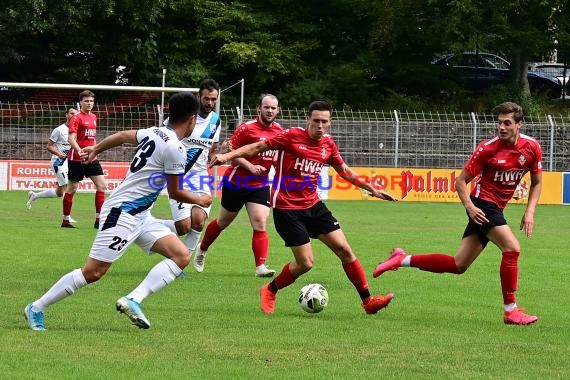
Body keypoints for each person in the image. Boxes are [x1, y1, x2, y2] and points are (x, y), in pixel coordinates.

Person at [23, 92, 212, 331]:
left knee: (181, 256)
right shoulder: (176, 148)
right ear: (193, 119)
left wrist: (97, 148)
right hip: (122, 213)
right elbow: (175, 193)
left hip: (141, 215)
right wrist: (201, 199)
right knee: (93, 272)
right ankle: (36, 307)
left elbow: (123, 135)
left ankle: (133, 299)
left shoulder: (155, 131)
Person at [209, 100, 397, 315]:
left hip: (313, 205)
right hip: (287, 209)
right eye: (316, 120)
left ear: (330, 122)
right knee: (306, 263)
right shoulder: (291, 136)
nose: (319, 125)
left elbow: (344, 170)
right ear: (308, 119)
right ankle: (270, 290)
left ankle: (368, 302)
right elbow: (257, 147)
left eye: (324, 121)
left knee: (345, 251)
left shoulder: (328, 144)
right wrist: (225, 156)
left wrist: (371, 189)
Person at [373, 101, 542, 326]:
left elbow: (537, 181)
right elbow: (461, 181)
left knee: (458, 264)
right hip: (482, 205)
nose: (501, 127)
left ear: (519, 124)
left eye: (507, 123)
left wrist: (529, 212)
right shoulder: (488, 148)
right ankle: (510, 310)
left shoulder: (531, 147)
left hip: (494, 208)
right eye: (499, 122)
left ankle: (401, 259)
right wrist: (470, 208)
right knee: (512, 249)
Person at [196, 94, 282, 277]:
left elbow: (277, 156)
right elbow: (230, 151)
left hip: (260, 184)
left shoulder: (279, 131)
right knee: (222, 222)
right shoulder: (246, 129)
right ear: (259, 108)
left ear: (278, 110)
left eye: (273, 108)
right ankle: (202, 249)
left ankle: (260, 267)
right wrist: (250, 166)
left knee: (260, 222)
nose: (270, 111)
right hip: (237, 181)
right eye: (266, 107)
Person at [160, 79, 221, 268]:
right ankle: (148, 225)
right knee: (183, 227)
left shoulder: (215, 121)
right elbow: (163, 140)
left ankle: (181, 264)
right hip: (178, 175)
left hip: (200, 176)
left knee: (199, 221)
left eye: (213, 99)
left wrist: (220, 153)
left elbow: (213, 150)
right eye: (206, 99)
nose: (210, 103)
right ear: (198, 97)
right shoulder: (183, 115)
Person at [62, 90, 107, 228]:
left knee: (102, 186)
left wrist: (95, 151)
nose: (89, 103)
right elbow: (71, 138)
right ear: (80, 102)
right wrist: (79, 150)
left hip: (91, 158)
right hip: (76, 158)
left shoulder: (94, 117)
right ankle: (65, 220)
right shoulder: (76, 117)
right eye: (86, 101)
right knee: (72, 188)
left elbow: (92, 138)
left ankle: (99, 220)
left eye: (91, 101)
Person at [26, 107, 78, 225]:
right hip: (58, 162)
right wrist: (59, 154)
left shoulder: (76, 130)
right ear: (66, 115)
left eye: (75, 114)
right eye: (71, 113)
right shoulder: (59, 130)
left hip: (70, 162)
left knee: (60, 193)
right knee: (69, 187)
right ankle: (67, 217)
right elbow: (49, 146)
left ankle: (34, 195)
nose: (73, 116)